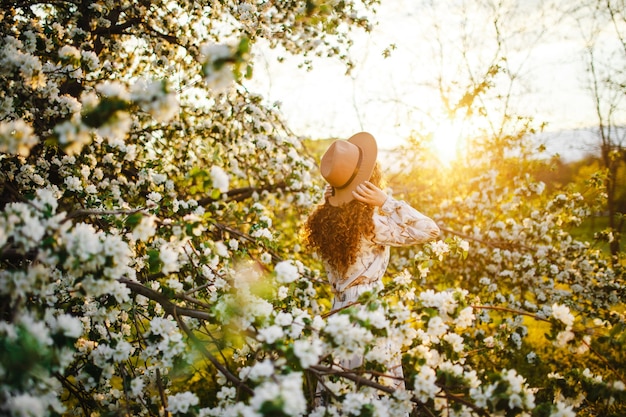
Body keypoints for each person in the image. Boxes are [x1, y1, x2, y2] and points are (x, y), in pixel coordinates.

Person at [303, 132, 440, 403]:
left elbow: (333, 207)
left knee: (342, 389)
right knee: (372, 388)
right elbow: (430, 229)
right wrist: (386, 202)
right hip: (367, 311)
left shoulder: (323, 221)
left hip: (338, 310)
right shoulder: (371, 224)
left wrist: (331, 198)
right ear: (368, 181)